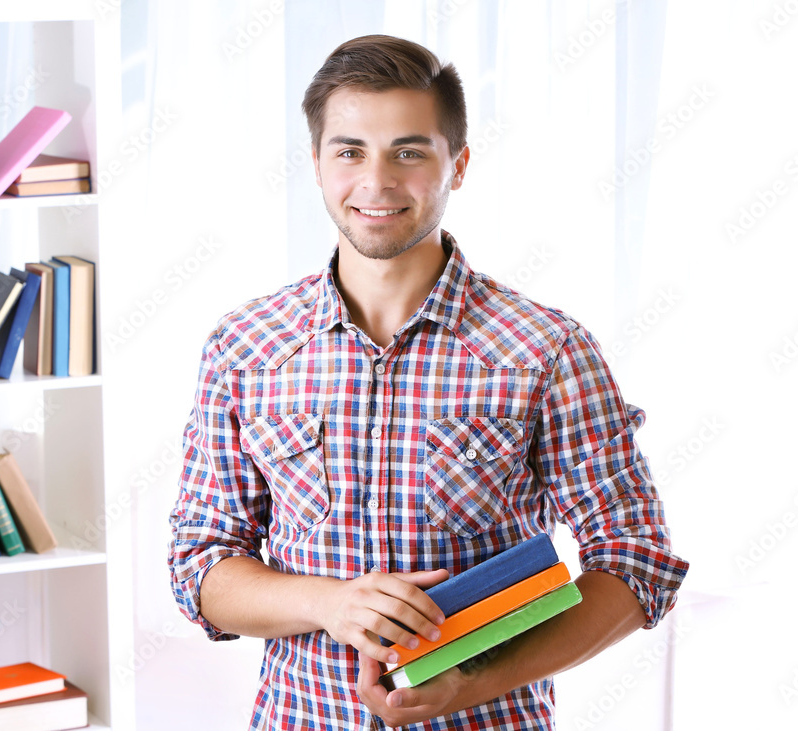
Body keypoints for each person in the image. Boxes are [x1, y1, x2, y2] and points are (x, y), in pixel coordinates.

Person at [168, 34, 688, 730]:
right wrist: (331, 602)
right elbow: (200, 564)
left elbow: (635, 561)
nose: (376, 181)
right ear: (317, 164)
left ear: (458, 164)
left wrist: (470, 685)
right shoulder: (246, 347)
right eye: (349, 151)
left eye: (408, 152)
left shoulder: (545, 348)